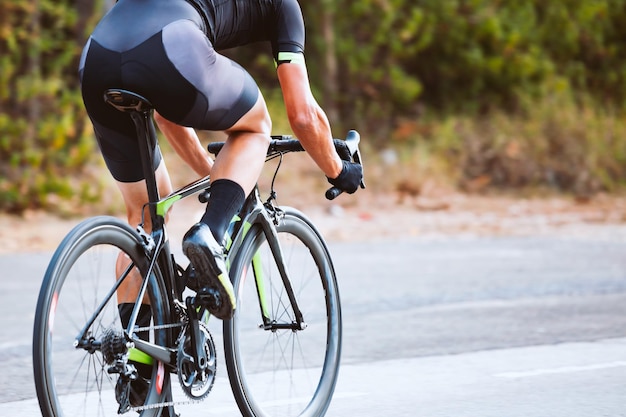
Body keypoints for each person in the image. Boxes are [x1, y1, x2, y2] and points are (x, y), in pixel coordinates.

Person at [80, 0, 363, 325]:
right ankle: (210, 235)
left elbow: (165, 113)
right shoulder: (284, 7)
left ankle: (139, 367)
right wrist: (339, 170)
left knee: (145, 218)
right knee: (255, 127)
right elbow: (303, 115)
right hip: (172, 45)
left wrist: (217, 174)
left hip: (97, 58)